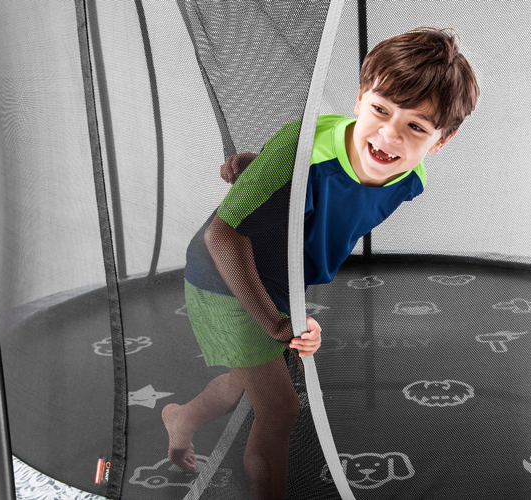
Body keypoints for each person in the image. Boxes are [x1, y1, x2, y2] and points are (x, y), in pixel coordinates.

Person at [161, 26, 480, 499]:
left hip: (280, 278)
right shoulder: (302, 145)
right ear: (358, 99)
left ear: (440, 141)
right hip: (223, 275)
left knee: (248, 377)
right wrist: (276, 321)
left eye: (415, 126)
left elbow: (320, 204)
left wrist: (260, 168)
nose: (389, 136)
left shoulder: (412, 178)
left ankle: (181, 416)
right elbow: (222, 235)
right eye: (380, 110)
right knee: (280, 408)